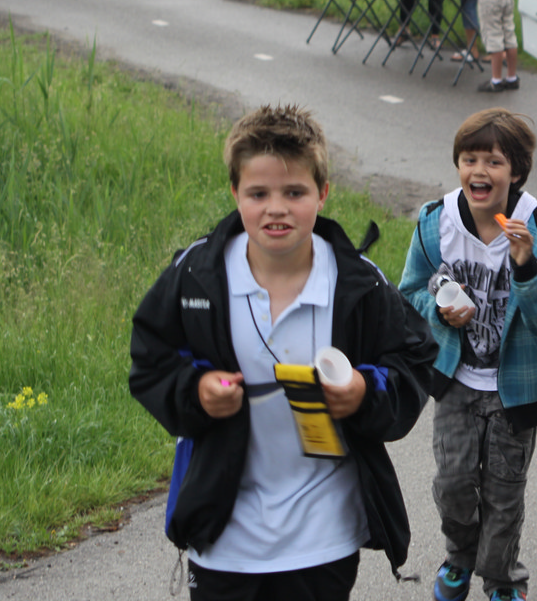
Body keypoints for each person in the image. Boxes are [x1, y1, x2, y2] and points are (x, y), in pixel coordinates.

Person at [129, 104, 438, 601]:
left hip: (323, 534)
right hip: (223, 535)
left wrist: (364, 391)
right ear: (235, 193)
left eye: (294, 192)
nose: (277, 208)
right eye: (259, 194)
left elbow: (415, 359)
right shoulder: (197, 276)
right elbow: (150, 360)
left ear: (323, 193)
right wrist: (197, 391)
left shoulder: (357, 283)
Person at [399, 108, 537, 601]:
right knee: (453, 484)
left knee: (503, 494)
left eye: (494, 162)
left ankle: (501, 579)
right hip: (455, 381)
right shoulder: (436, 223)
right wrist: (438, 310)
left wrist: (526, 266)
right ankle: (459, 557)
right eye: (469, 159)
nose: (479, 171)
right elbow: (409, 293)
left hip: (514, 390)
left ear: (515, 171)